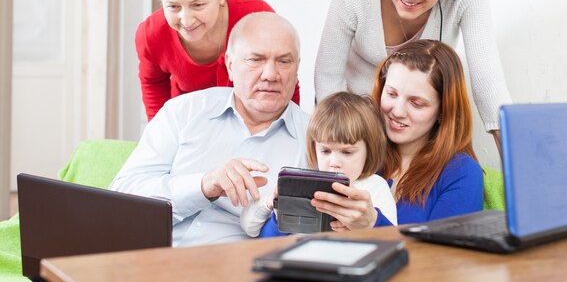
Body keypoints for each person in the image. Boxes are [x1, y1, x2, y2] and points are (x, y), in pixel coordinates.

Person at [314, 0, 510, 154]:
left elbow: (488, 80)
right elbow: (327, 80)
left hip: (422, 132)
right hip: (358, 132)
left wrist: (516, 166)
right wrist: (345, 152)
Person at [110, 12, 309, 247]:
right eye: (255, 59)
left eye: (284, 61)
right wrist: (203, 185)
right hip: (149, 257)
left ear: (297, 68)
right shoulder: (183, 112)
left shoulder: (316, 141)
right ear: (230, 65)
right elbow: (121, 199)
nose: (270, 75)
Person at [311, 40, 484, 229]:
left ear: (444, 111)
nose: (398, 111)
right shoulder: (355, 155)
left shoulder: (461, 173)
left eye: (416, 103)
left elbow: (444, 256)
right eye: (392, 94)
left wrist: (372, 224)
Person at [137, 0, 299, 121]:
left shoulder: (256, 17)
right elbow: (153, 84)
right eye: (173, 6)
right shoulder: (152, 34)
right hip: (189, 122)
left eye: (198, 5)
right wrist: (160, 134)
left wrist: (292, 133)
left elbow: (284, 76)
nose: (187, 20)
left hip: (251, 122)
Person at [240, 92, 397, 237]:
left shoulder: (375, 188)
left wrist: (371, 222)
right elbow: (253, 231)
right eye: (326, 151)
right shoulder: (302, 184)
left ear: (369, 151)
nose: (334, 163)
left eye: (347, 152)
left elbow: (393, 240)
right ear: (315, 149)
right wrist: (273, 210)